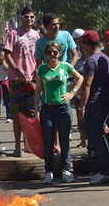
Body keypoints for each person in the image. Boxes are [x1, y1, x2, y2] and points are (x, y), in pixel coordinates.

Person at [35, 41, 83, 184]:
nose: (52, 55)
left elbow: (80, 78)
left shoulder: (65, 66)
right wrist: (36, 107)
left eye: (55, 52)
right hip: (47, 108)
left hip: (63, 108)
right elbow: (38, 89)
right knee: (48, 141)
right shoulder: (42, 68)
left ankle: (66, 170)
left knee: (64, 140)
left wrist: (72, 93)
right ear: (46, 54)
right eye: (49, 52)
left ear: (60, 53)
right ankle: (48, 171)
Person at [77, 30, 109, 185]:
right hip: (106, 102)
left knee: (97, 138)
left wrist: (82, 107)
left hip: (94, 103)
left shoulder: (91, 61)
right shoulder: (108, 60)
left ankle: (106, 172)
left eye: (83, 46)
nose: (83, 49)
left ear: (87, 45)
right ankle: (105, 170)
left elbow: (87, 85)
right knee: (99, 136)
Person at [3, 7, 41, 157]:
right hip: (16, 80)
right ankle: (17, 146)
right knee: (17, 115)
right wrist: (16, 71)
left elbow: (39, 55)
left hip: (32, 79)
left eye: (32, 17)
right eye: (26, 16)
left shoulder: (36, 35)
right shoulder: (14, 34)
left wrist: (38, 71)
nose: (29, 19)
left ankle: (29, 145)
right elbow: (7, 54)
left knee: (31, 114)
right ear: (21, 18)